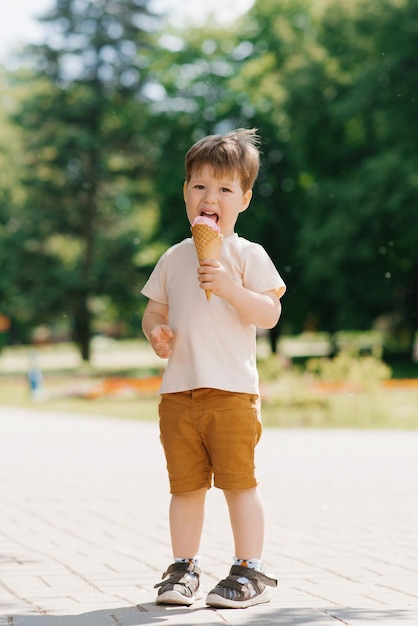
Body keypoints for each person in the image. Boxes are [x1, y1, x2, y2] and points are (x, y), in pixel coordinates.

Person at [141, 128, 286, 609]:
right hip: (179, 393)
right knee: (184, 488)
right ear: (186, 193)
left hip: (231, 392)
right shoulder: (172, 258)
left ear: (243, 200)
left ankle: (251, 570)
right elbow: (154, 310)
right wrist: (156, 329)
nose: (211, 197)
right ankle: (183, 568)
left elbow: (268, 313)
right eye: (200, 186)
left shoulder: (247, 255)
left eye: (225, 189)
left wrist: (229, 287)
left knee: (239, 483)